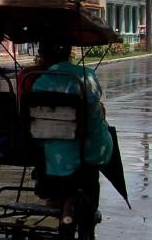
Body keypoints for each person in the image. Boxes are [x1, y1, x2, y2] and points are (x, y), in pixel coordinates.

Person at [27, 42, 113, 202]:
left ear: (43, 56)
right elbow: (95, 117)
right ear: (69, 52)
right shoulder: (86, 76)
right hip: (86, 149)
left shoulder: (39, 82)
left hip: (52, 150)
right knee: (106, 132)